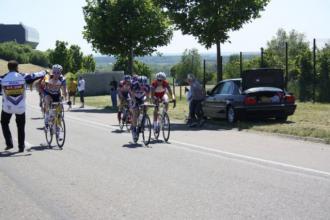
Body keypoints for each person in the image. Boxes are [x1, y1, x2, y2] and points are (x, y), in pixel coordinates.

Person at [0, 60, 46, 152]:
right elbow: (35, 75)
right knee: (21, 126)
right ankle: (21, 147)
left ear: (8, 68)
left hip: (7, 107)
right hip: (20, 107)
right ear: (17, 68)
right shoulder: (23, 76)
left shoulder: (2, 78)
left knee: (4, 123)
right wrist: (45, 72)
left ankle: (9, 143)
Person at [41, 64, 67, 128]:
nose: (56, 74)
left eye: (58, 73)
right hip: (48, 93)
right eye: (54, 72)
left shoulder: (62, 79)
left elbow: (64, 91)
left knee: (59, 108)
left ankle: (58, 127)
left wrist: (64, 97)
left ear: (60, 73)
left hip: (56, 94)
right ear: (52, 72)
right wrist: (44, 81)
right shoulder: (48, 77)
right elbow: (42, 84)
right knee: (47, 100)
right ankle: (47, 117)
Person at [130, 75, 150, 140]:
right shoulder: (134, 85)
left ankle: (142, 122)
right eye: (141, 85)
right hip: (134, 98)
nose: (142, 86)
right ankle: (133, 129)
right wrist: (135, 102)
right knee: (135, 113)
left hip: (142, 98)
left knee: (145, 107)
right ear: (138, 83)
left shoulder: (147, 86)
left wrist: (146, 102)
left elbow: (147, 97)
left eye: (143, 85)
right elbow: (132, 96)